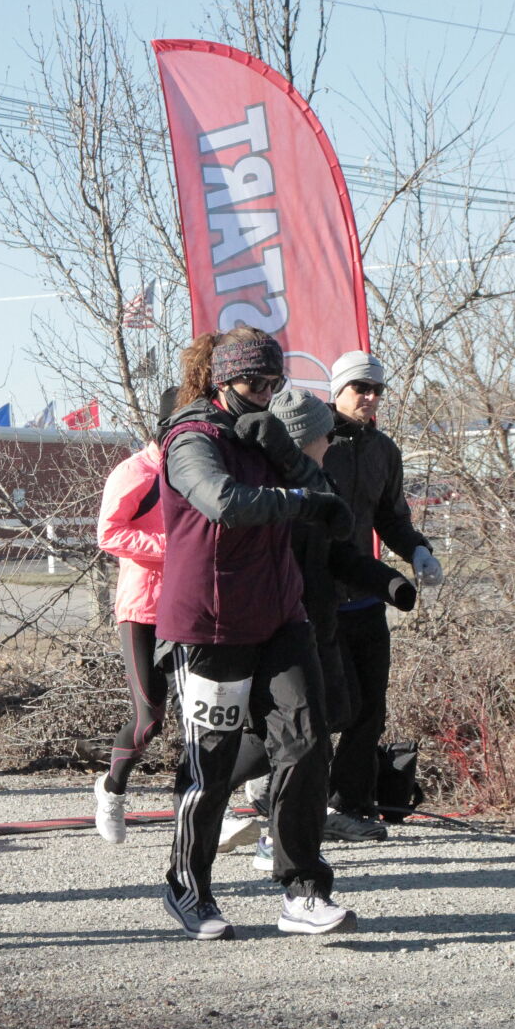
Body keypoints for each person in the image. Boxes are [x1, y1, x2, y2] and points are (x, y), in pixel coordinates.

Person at [153, 329, 356, 940]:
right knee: (210, 767)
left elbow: (326, 498)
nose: (266, 395)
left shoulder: (265, 431)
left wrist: (289, 458)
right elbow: (222, 501)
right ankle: (188, 888)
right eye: (254, 384)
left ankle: (302, 888)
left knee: (306, 742)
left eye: (275, 384)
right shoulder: (191, 437)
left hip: (279, 616)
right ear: (222, 381)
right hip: (210, 626)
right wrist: (296, 497)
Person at [225, 388, 420, 869]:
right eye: (325, 434)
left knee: (335, 714)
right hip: (277, 629)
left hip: (319, 621)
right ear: (301, 440)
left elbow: (337, 553)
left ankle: (249, 790)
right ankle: (223, 788)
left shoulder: (321, 483)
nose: (333, 439)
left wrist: (388, 580)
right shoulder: (265, 495)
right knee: (298, 734)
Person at [321, 350, 442, 843]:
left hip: (367, 598)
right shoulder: (310, 440)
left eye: (377, 391)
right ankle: (275, 791)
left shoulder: (383, 450)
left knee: (371, 708)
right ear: (338, 392)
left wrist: (418, 551)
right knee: (332, 707)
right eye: (360, 389)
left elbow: (392, 517)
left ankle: (348, 807)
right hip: (316, 599)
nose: (369, 399)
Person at [92, 388, 178, 842]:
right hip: (143, 608)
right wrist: (172, 550)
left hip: (193, 608)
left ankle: (208, 808)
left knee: (211, 716)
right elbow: (109, 534)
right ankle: (112, 788)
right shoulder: (136, 471)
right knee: (150, 718)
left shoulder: (200, 467)